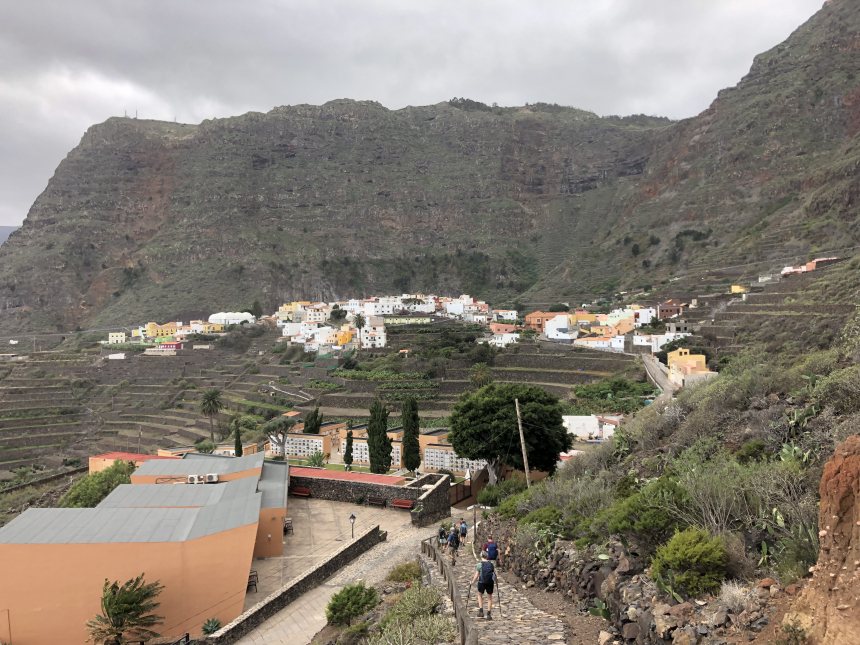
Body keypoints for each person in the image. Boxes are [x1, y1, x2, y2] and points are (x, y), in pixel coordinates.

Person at [470, 550, 495, 619]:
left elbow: (476, 575)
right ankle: (489, 614)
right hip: (490, 582)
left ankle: (481, 611)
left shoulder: (479, 565)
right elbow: (493, 574)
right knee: (489, 597)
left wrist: (472, 582)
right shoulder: (491, 564)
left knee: (479, 595)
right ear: (487, 556)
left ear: (481, 556)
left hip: (481, 582)